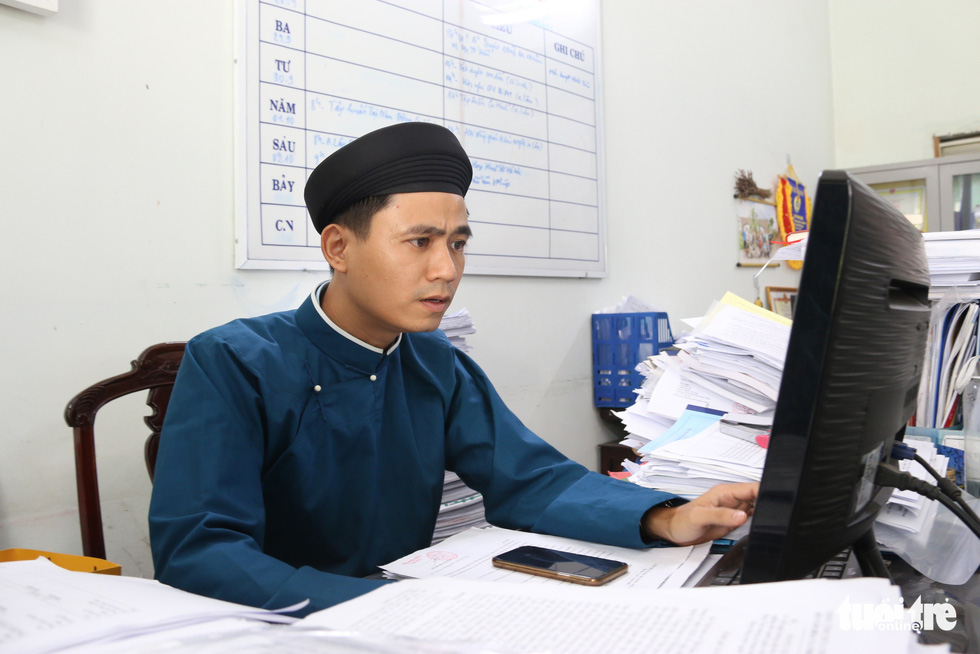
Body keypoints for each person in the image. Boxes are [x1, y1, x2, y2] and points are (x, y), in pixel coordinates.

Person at [149, 122, 757, 616]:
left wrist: (664, 516)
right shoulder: (234, 359)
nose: (446, 269)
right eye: (420, 242)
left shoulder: (434, 361)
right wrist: (383, 607)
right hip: (289, 624)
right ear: (339, 248)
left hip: (419, 613)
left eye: (458, 243)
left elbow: (531, 478)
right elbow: (200, 551)